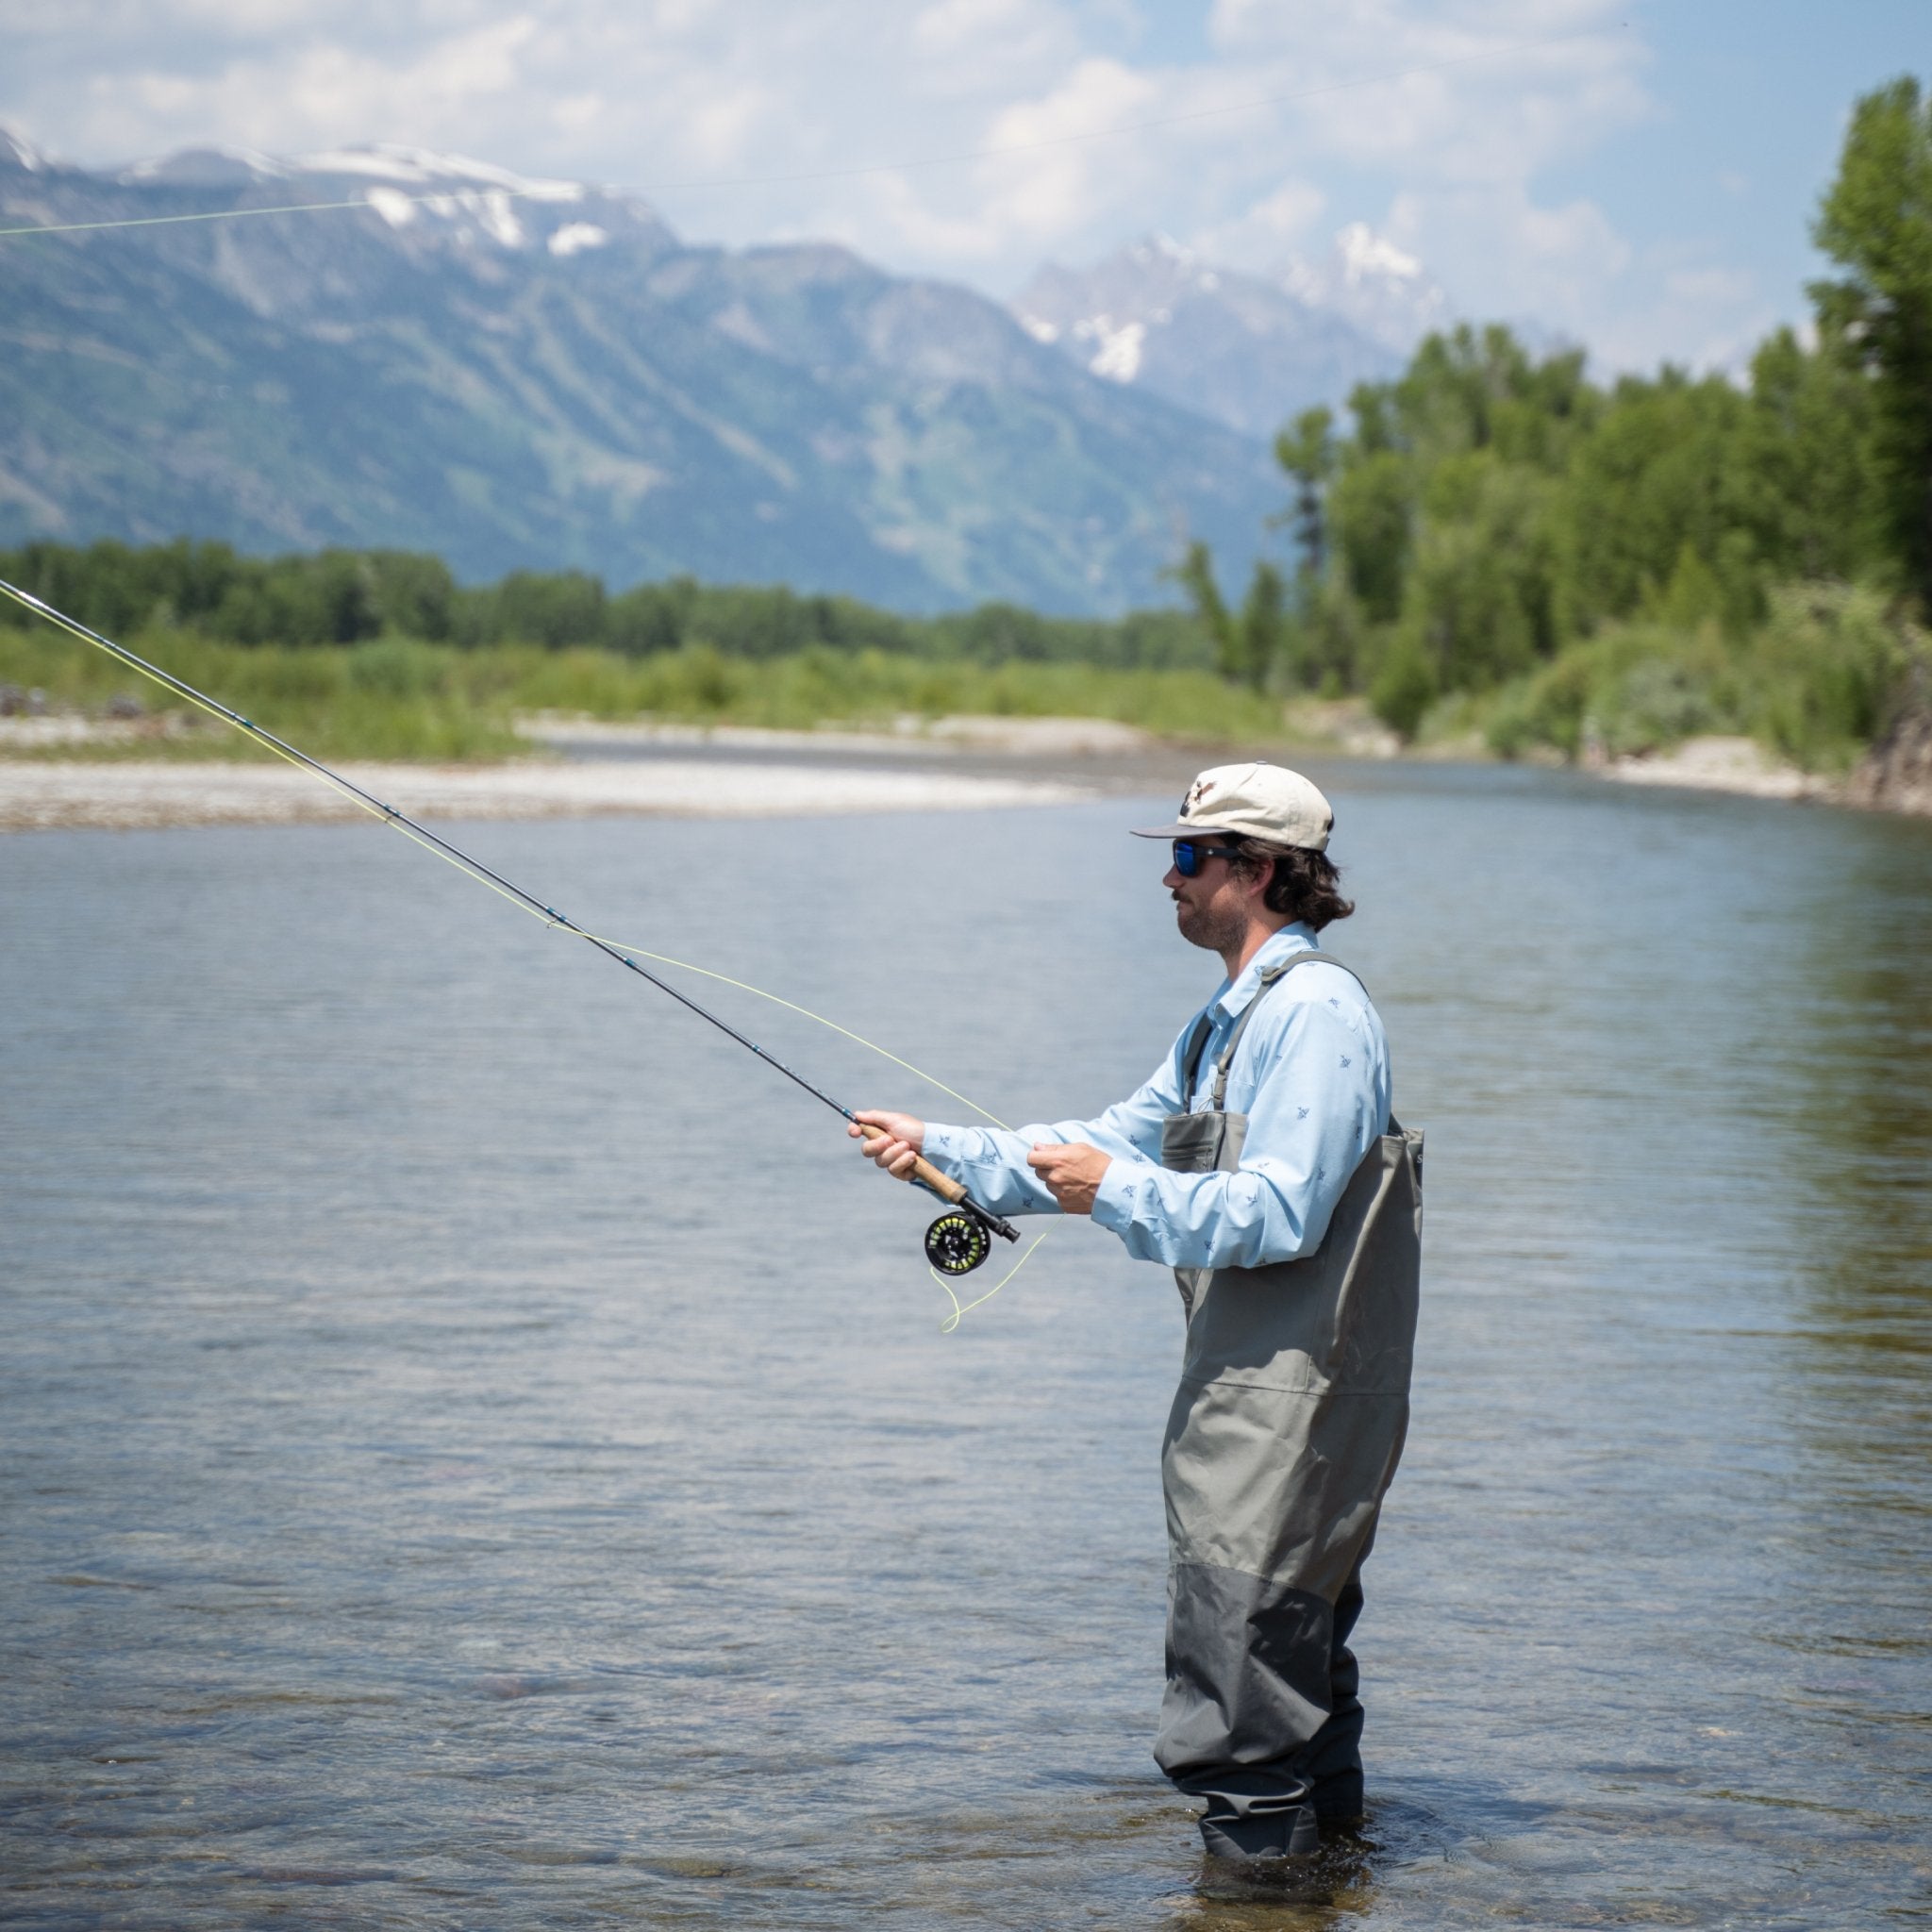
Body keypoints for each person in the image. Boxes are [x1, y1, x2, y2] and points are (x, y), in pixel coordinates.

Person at [853, 760, 1423, 1877]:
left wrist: (1105, 1192)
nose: (1168, 878)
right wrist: (943, 1148)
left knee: (1241, 1691)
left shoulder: (1315, 1014)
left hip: (1295, 1403)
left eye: (1187, 855)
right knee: (1294, 1685)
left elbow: (1277, 1210)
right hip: (1256, 1395)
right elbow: (1112, 1138)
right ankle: (1324, 1893)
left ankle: (1253, 1898)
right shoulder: (1227, 1020)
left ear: (1259, 872)